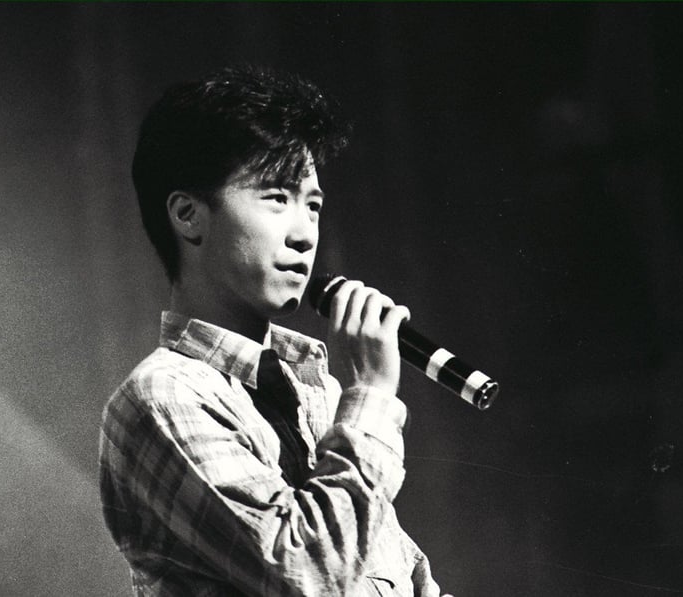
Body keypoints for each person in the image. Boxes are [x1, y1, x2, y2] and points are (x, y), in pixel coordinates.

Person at [98, 65, 447, 596]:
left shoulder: (318, 393)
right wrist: (372, 394)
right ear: (188, 215)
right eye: (277, 198)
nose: (305, 234)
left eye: (313, 206)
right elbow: (308, 572)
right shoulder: (163, 396)